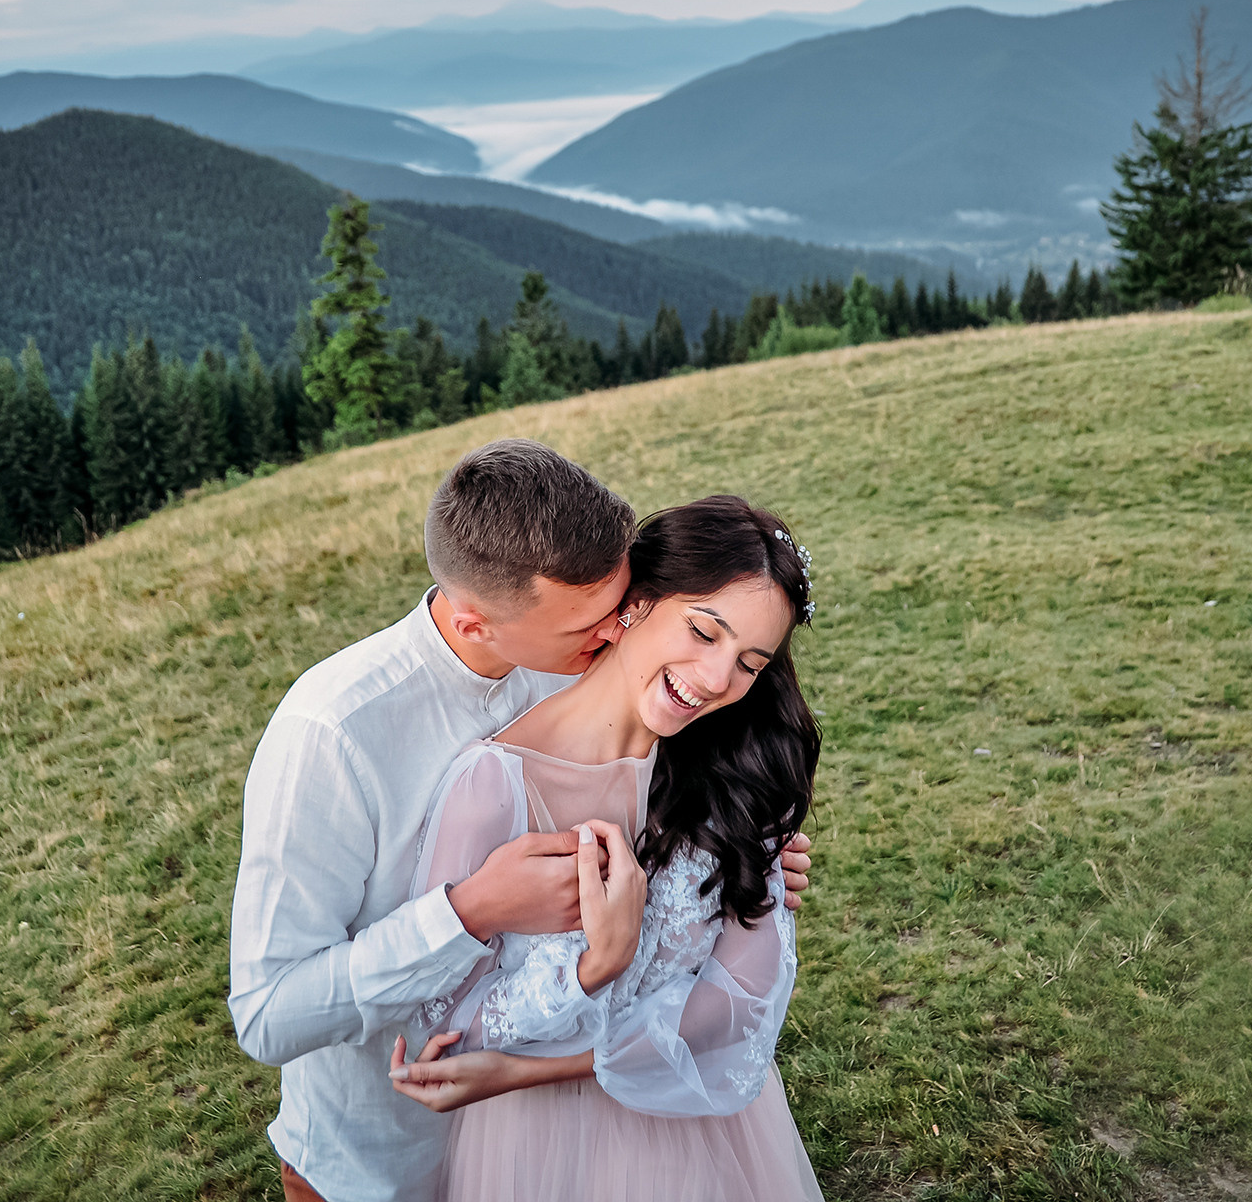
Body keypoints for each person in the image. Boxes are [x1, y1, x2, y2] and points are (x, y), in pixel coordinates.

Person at [228, 441, 813, 1202]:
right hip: (386, 1157)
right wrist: (471, 912)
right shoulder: (332, 733)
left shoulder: (587, 662)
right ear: (477, 627)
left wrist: (741, 857)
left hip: (582, 1123)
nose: (615, 632)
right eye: (593, 623)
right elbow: (269, 1016)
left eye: (622, 603)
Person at [388, 495, 824, 1202]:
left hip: (707, 1133)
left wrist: (533, 1067)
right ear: (635, 603)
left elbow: (740, 1008)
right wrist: (595, 967)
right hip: (539, 1155)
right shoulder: (495, 785)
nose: (717, 682)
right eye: (704, 632)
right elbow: (441, 1023)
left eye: (749, 662)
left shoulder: (740, 777)